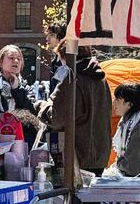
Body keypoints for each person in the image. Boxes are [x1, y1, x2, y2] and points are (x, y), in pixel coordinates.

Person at [43, 46, 113, 176]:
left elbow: (57, 118)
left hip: (77, 154)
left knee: (75, 194)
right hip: (99, 154)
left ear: (67, 57)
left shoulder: (72, 78)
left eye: (60, 58)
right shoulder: (100, 77)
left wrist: (42, 107)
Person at [0, 45, 40, 142]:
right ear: (0, 62)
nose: (16, 61)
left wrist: (17, 89)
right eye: (11, 58)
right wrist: (2, 117)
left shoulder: (24, 85)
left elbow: (31, 110)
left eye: (19, 59)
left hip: (20, 139)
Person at [105, 82, 140, 178]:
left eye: (118, 99)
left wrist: (118, 164)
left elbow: (131, 168)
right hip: (129, 179)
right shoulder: (127, 123)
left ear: (129, 104)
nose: (114, 102)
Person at [45, 23, 69, 91]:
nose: (47, 38)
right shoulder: (54, 61)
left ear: (62, 38)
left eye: (52, 35)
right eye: (47, 35)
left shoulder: (70, 60)